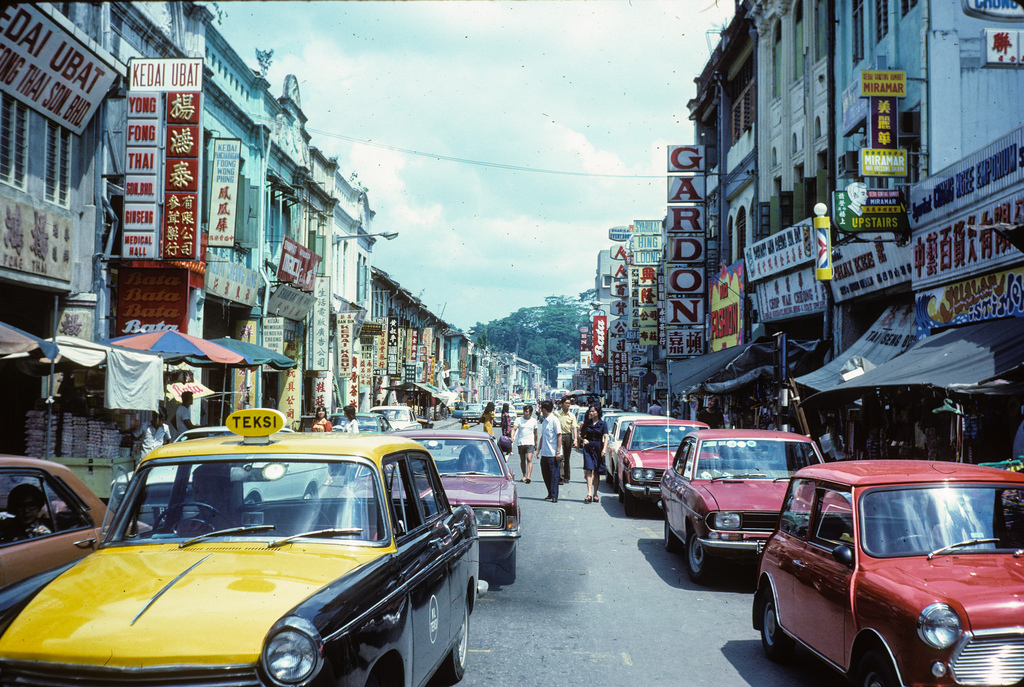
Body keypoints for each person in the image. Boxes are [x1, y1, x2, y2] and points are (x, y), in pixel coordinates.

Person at [579, 404, 608, 504]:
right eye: (590, 411)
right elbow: (580, 435)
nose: (591, 413)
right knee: (588, 469)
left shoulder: (603, 424)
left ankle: (595, 493)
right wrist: (584, 439)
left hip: (598, 448)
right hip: (588, 448)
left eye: (593, 411)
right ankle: (589, 493)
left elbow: (606, 437)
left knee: (596, 471)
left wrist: (604, 449)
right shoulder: (587, 423)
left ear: (597, 412)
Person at [537, 400, 562, 503]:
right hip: (545, 452)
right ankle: (550, 493)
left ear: (544, 409)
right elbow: (543, 436)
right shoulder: (544, 421)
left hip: (553, 453)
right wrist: (538, 449)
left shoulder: (554, 420)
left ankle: (555, 495)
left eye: (541, 409)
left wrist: (558, 451)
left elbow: (559, 435)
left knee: (554, 476)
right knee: (546, 474)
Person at [553, 396, 579, 484]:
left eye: (569, 403)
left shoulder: (572, 415)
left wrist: (575, 439)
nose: (568, 405)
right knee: (561, 457)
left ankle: (567, 477)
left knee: (567, 458)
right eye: (566, 403)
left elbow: (574, 428)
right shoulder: (556, 414)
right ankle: (561, 477)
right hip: (559, 436)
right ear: (562, 404)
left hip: (568, 437)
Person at [512, 404, 538, 483]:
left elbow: (535, 433)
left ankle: (528, 477)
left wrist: (536, 443)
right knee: (522, 460)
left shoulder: (533, 421)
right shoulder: (519, 420)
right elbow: (514, 429)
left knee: (529, 459)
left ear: (530, 412)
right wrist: (512, 437)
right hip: (521, 442)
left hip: (530, 443)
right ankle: (524, 475)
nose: (525, 413)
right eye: (524, 411)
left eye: (527, 412)